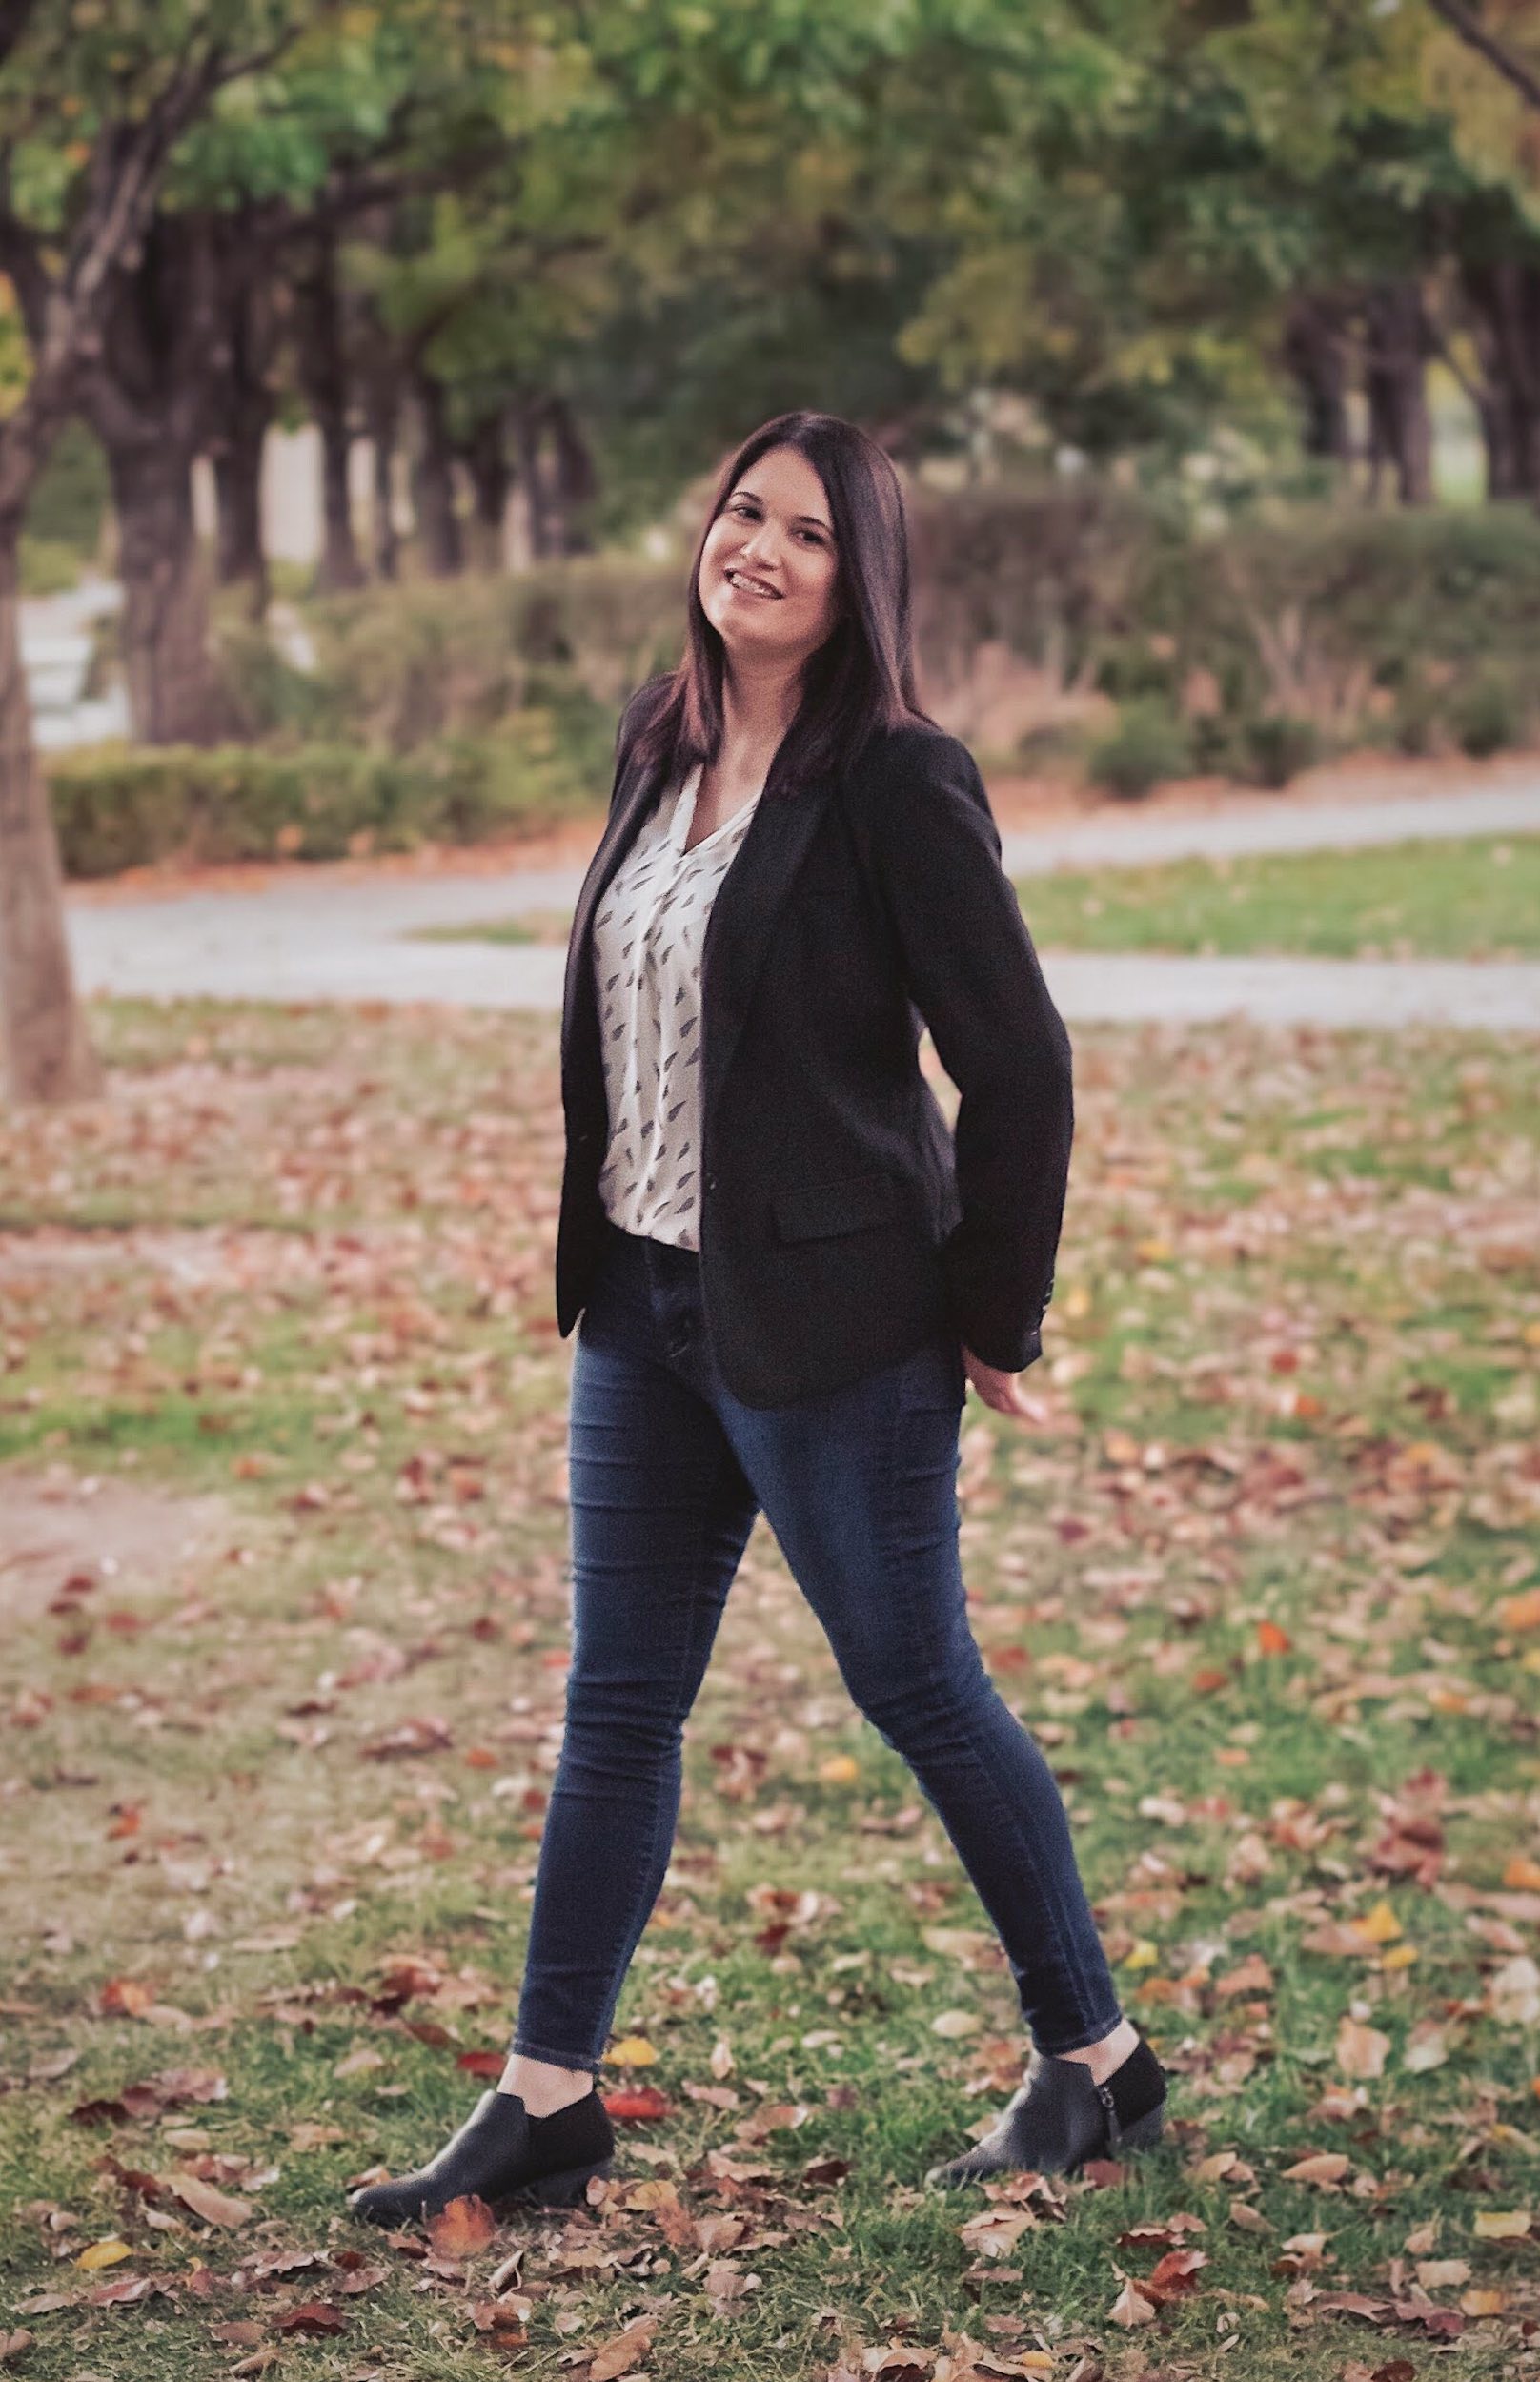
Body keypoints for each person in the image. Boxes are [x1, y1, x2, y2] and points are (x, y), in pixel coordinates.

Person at [351, 411, 1165, 2228]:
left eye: (806, 531)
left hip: (841, 1325)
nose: (762, 551)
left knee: (915, 1684)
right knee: (618, 1705)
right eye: (742, 513)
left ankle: (1093, 2061)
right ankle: (548, 2096)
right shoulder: (668, 737)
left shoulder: (896, 776)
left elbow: (1017, 1062)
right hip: (647, 1305)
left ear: (855, 575)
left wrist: (991, 1318)